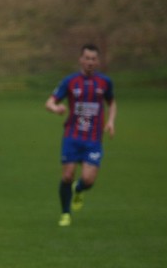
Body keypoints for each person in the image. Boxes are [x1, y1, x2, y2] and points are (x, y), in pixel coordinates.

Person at [45, 43, 117, 227]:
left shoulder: (104, 82)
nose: (90, 62)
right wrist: (56, 108)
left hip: (93, 139)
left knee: (88, 180)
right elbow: (50, 102)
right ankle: (65, 213)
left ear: (98, 61)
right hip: (72, 136)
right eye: (87, 58)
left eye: (93, 59)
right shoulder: (70, 81)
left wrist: (110, 121)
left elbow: (112, 103)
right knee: (67, 175)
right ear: (81, 59)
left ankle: (79, 188)